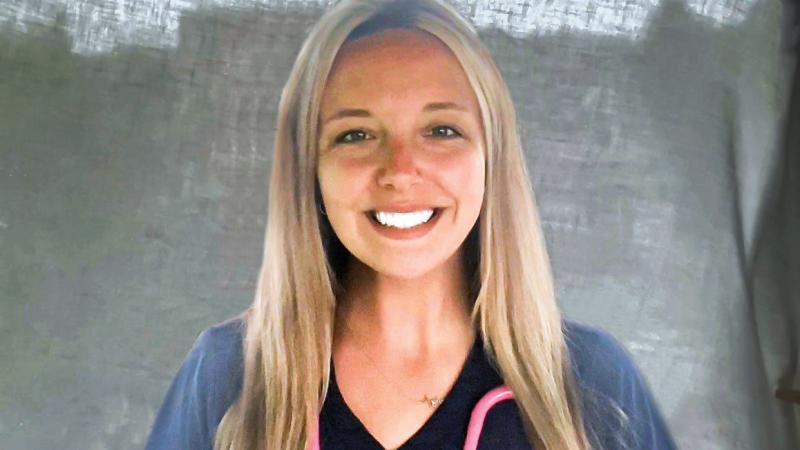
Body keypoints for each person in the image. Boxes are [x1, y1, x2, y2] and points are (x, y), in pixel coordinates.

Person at [145, 0, 678, 449]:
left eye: (441, 130)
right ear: (309, 171)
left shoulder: (593, 382)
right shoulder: (228, 376)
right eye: (355, 135)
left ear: (492, 159)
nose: (400, 171)